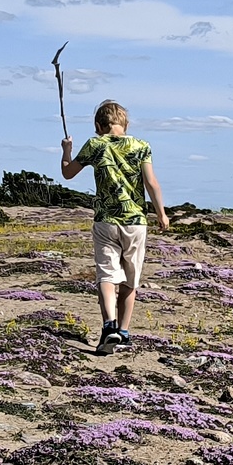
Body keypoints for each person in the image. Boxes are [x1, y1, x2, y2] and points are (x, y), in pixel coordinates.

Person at [61, 99, 169, 352]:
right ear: (125, 124)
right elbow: (151, 182)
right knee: (131, 279)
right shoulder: (141, 145)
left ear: (99, 125)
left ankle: (109, 326)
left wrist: (67, 150)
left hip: (106, 220)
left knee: (107, 275)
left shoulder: (95, 144)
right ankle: (124, 330)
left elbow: (68, 173)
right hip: (135, 222)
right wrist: (161, 213)